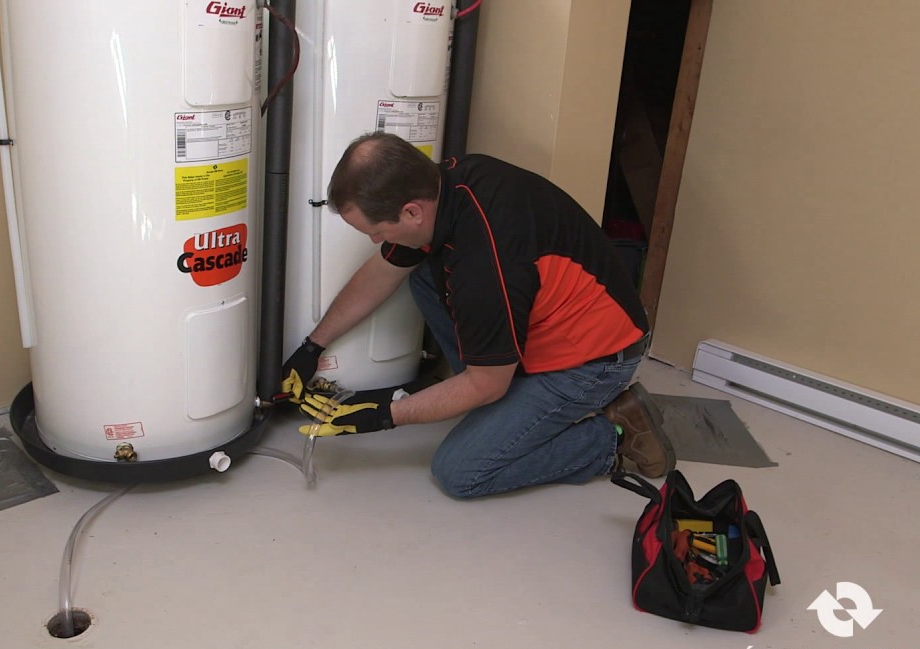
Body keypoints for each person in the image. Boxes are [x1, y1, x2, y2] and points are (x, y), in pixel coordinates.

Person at [280, 132, 675, 498]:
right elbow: (381, 274)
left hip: (595, 361)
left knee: (460, 470)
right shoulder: (450, 184)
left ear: (412, 212)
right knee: (419, 275)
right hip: (546, 325)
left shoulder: (482, 265)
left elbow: (488, 384)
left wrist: (384, 415)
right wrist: (312, 346)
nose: (375, 240)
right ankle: (503, 404)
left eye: (378, 231)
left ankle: (614, 437)